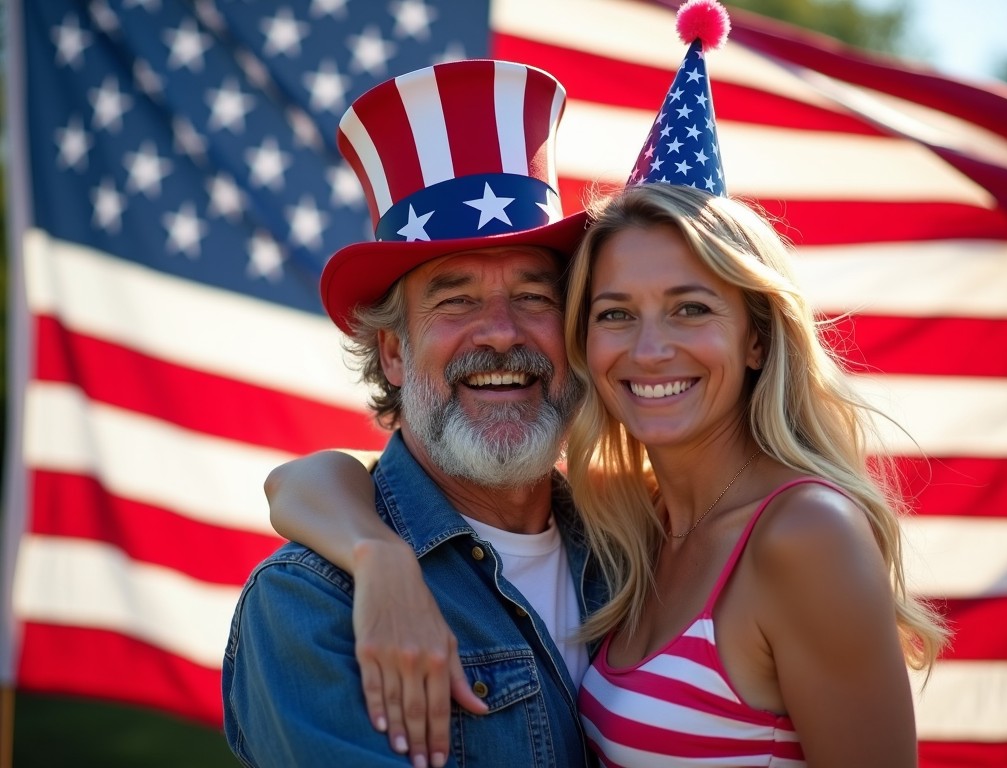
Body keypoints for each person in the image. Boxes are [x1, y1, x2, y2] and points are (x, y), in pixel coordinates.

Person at [268, 182, 949, 767]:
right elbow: (303, 482)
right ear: (392, 351)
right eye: (617, 313)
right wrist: (380, 556)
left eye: (536, 297)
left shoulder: (793, 535)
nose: (651, 349)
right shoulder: (631, 534)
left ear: (758, 336)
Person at [222, 58, 604, 768]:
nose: (500, 332)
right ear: (394, 353)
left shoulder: (644, 550)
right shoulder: (312, 606)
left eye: (534, 296)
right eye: (455, 300)